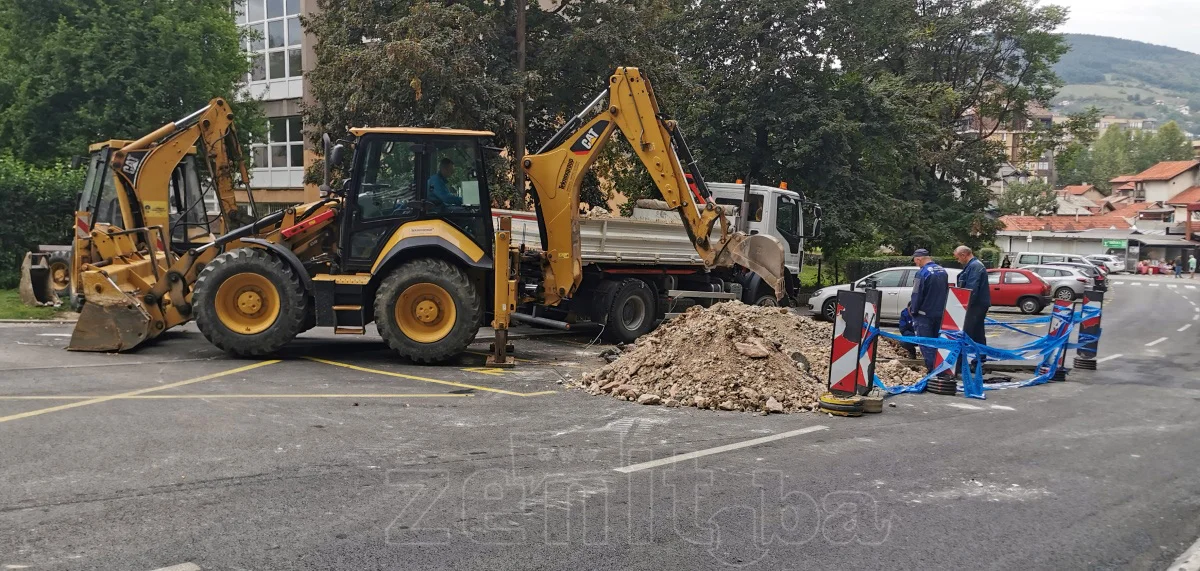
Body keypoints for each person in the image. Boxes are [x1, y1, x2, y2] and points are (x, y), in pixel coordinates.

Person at [908, 249, 949, 375]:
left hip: (924, 314)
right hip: (939, 313)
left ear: (918, 259)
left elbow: (917, 294)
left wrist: (913, 310)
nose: (917, 265)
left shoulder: (922, 273)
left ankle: (933, 372)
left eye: (916, 262)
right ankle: (942, 369)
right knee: (938, 342)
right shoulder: (942, 271)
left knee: (926, 344)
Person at [954, 245, 991, 370]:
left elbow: (971, 289)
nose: (958, 261)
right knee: (977, 333)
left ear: (964, 255)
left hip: (974, 306)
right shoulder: (974, 266)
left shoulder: (974, 267)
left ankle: (959, 364)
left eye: (958, 258)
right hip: (978, 305)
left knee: (966, 333)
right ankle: (979, 361)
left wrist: (963, 306)